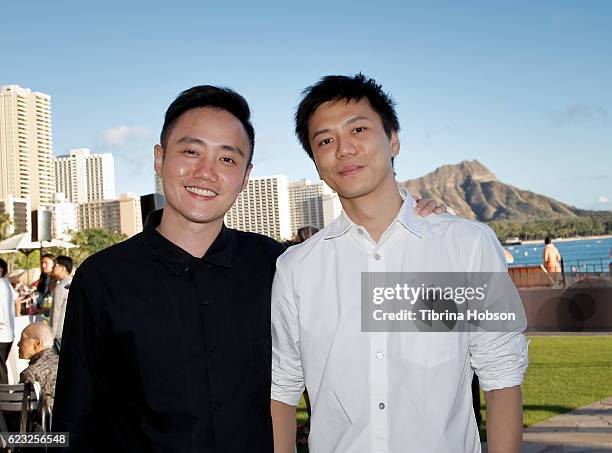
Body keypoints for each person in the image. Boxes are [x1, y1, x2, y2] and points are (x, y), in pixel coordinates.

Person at [53, 84, 445, 452]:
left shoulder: (279, 266)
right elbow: (73, 422)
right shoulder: (103, 278)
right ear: (160, 158)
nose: (206, 172)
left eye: (227, 158)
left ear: (245, 176)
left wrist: (420, 222)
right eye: (191, 152)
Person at [271, 74, 529, 453]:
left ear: (393, 140)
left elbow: (502, 375)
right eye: (325, 140)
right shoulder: (296, 269)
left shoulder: (467, 246)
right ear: (316, 162)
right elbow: (283, 387)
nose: (344, 149)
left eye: (358, 128)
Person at [18, 322, 59, 411]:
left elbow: (16, 406)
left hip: (45, 422)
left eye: (22, 339)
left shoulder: (31, 373)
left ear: (38, 343)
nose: (18, 344)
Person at [49, 255, 73, 348]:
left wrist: (52, 334)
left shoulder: (60, 287)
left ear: (63, 268)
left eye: (55, 265)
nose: (53, 268)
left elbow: (56, 311)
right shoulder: (73, 283)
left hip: (59, 332)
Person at [0, 258, 15, 384]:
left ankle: (4, 399)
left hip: (1, 334)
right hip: (7, 334)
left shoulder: (1, 284)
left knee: (1, 371)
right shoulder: (7, 284)